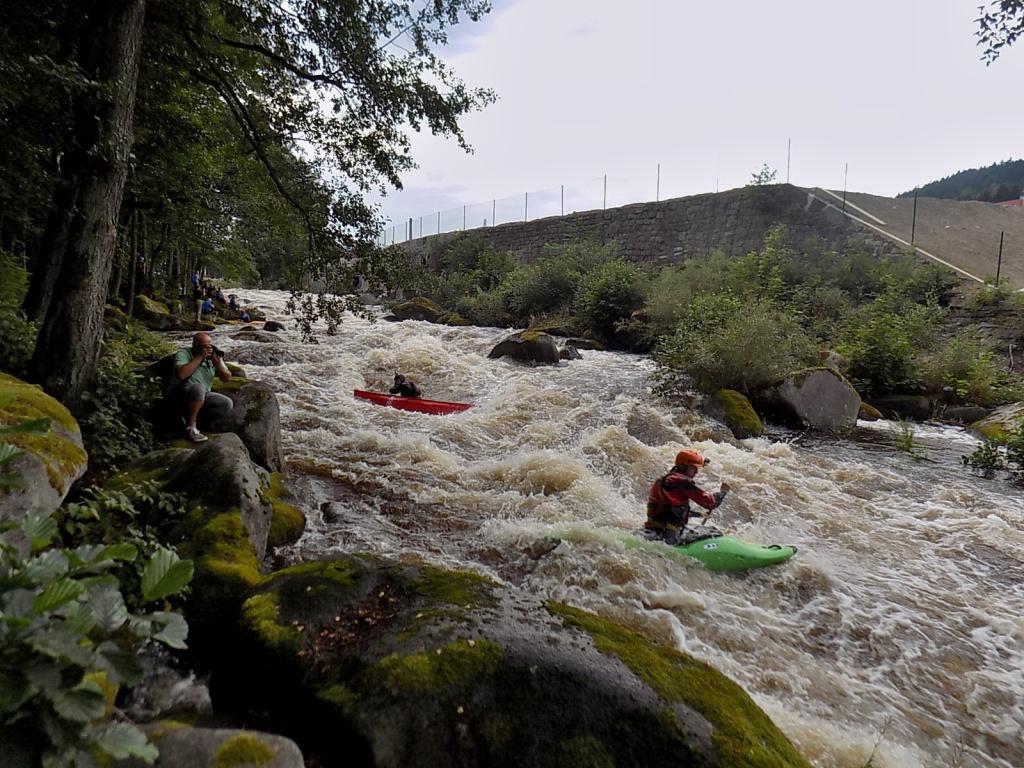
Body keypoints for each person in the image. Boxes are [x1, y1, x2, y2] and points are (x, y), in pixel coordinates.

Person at [645, 449, 730, 544]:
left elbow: (670, 511)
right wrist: (723, 492)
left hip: (656, 529)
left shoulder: (666, 480)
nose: (696, 472)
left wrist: (699, 514)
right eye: (693, 468)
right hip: (668, 535)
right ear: (682, 466)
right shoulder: (680, 481)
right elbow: (711, 503)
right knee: (713, 532)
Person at [167, 332, 233, 442]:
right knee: (198, 388)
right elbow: (182, 374)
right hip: (181, 394)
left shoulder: (213, 356)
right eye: (204, 346)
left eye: (210, 346)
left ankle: (197, 423)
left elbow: (227, 378)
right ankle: (190, 427)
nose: (208, 349)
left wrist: (218, 365)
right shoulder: (184, 353)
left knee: (226, 403)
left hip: (202, 396)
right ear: (195, 345)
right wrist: (200, 357)